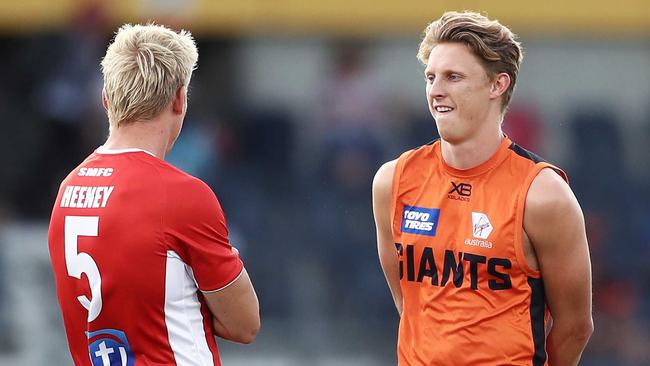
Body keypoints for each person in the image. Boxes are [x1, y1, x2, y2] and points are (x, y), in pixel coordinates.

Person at [372, 11, 593, 366]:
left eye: (453, 77)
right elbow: (409, 303)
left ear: (497, 85)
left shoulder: (543, 194)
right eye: (431, 77)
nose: (436, 90)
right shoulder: (392, 181)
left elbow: (575, 327)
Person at [48, 23, 260, 366]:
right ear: (179, 99)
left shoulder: (69, 188)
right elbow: (245, 323)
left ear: (106, 99)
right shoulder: (182, 195)